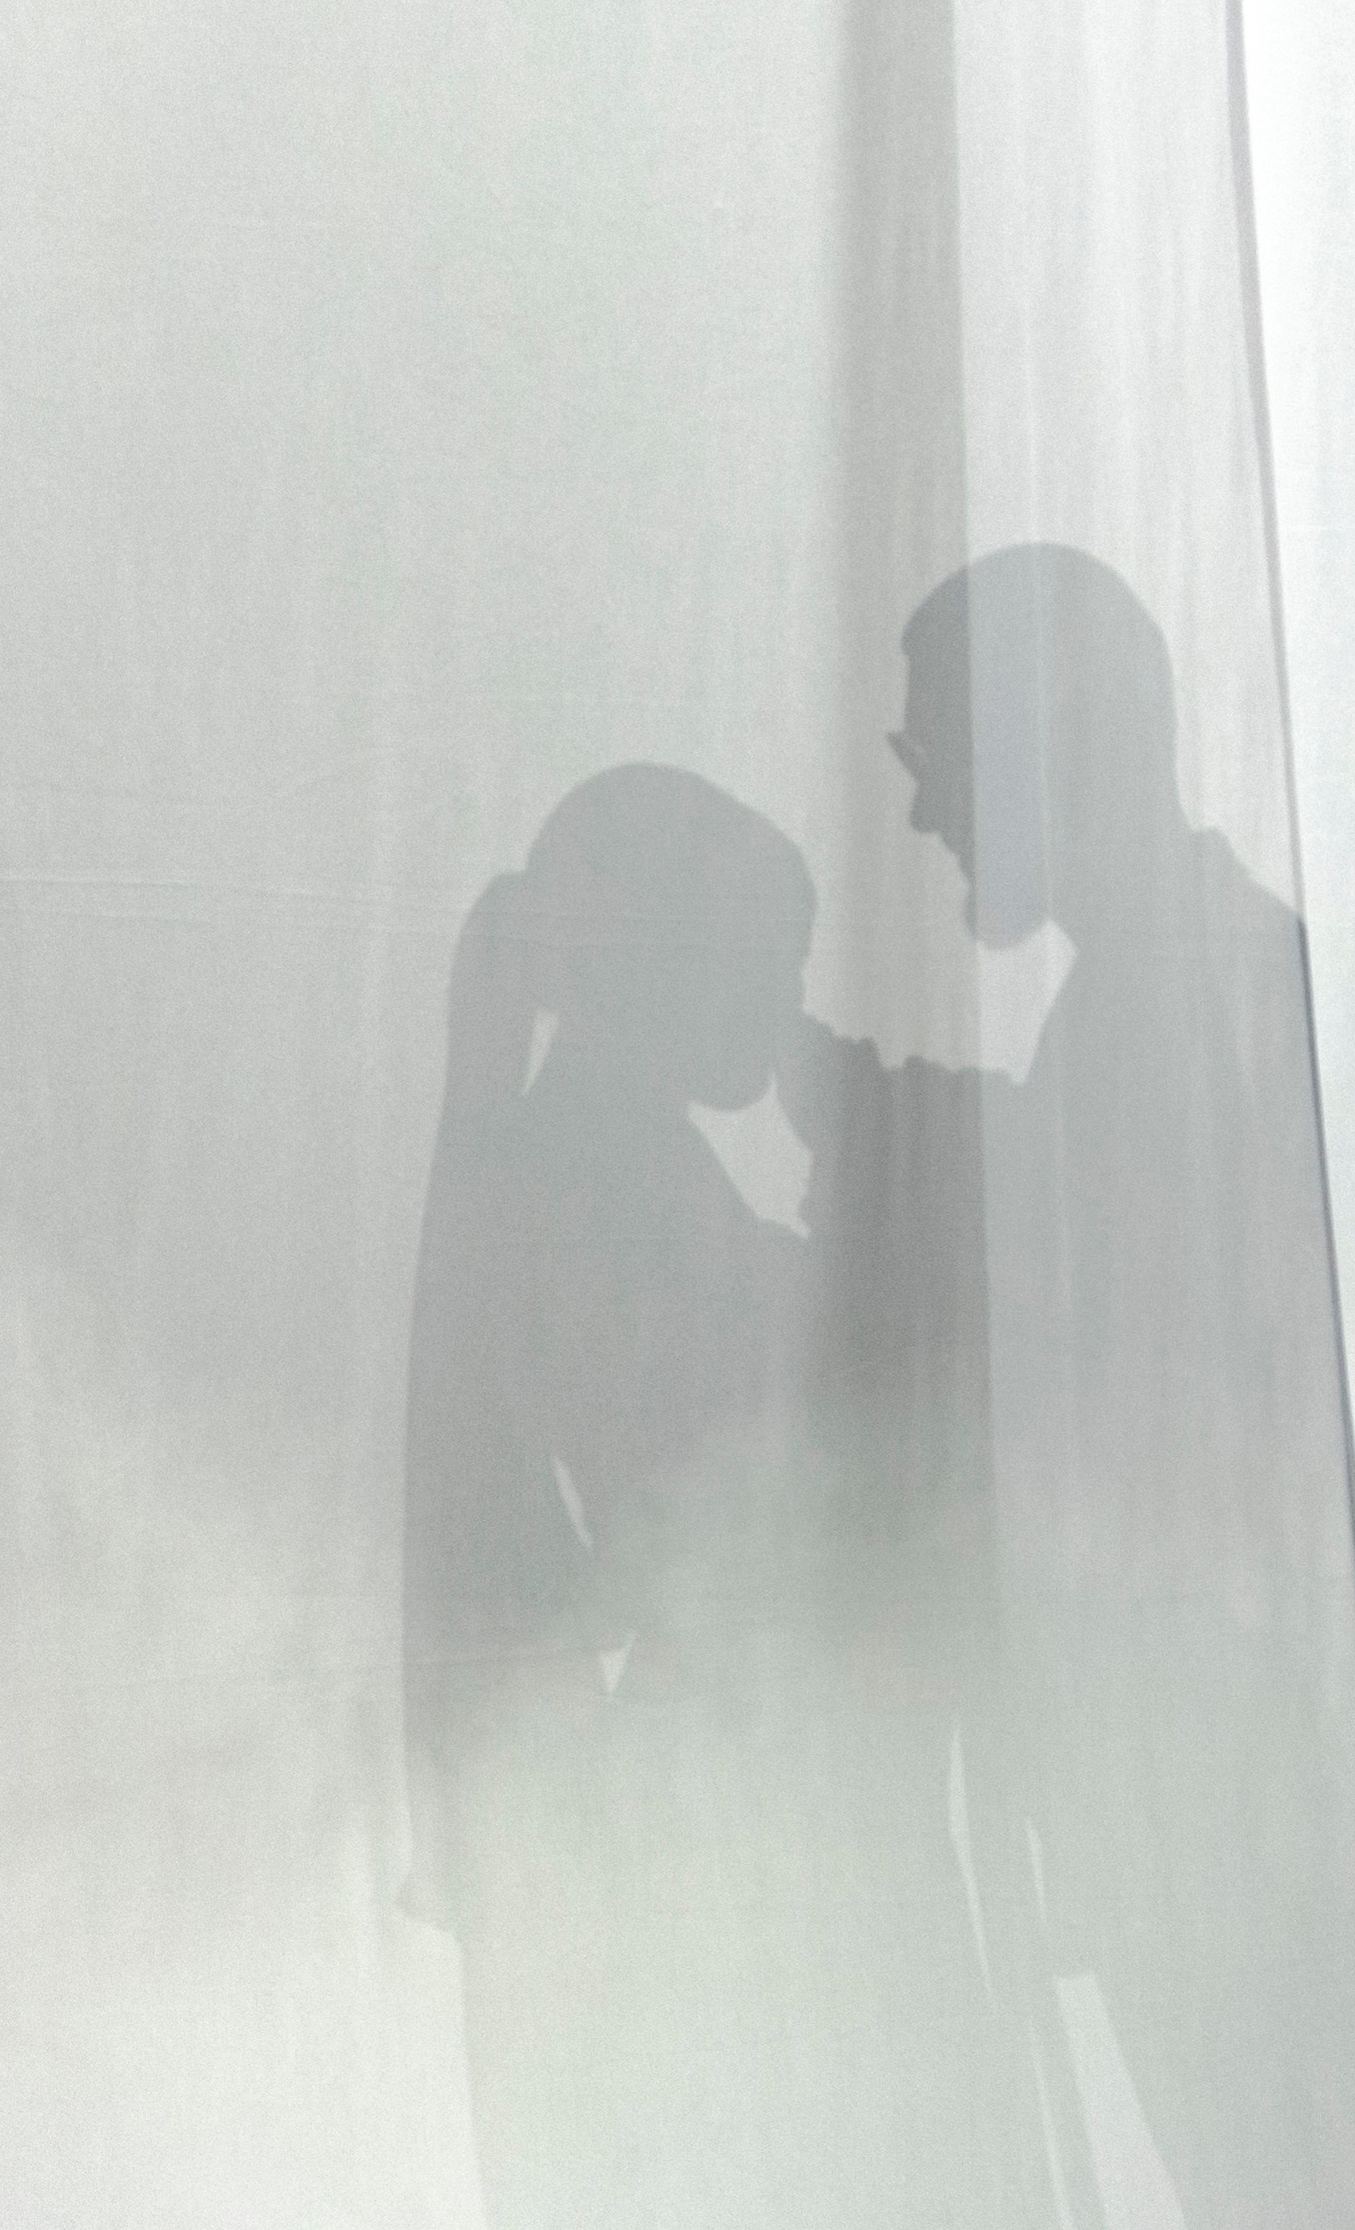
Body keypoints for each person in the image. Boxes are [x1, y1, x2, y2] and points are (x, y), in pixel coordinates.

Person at [779, 548, 1355, 2230]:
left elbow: (1165, 1369)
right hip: (1224, 1791)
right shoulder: (1187, 983)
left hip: (1238, 1803)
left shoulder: (1201, 997)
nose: (921, 810)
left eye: (934, 753)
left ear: (1051, 743)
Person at [402, 764, 1049, 2230]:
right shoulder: (588, 1174)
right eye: (768, 962)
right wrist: (876, 1206)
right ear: (665, 964)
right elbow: (761, 1426)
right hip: (731, 1791)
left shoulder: (607, 1159)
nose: (786, 1002)